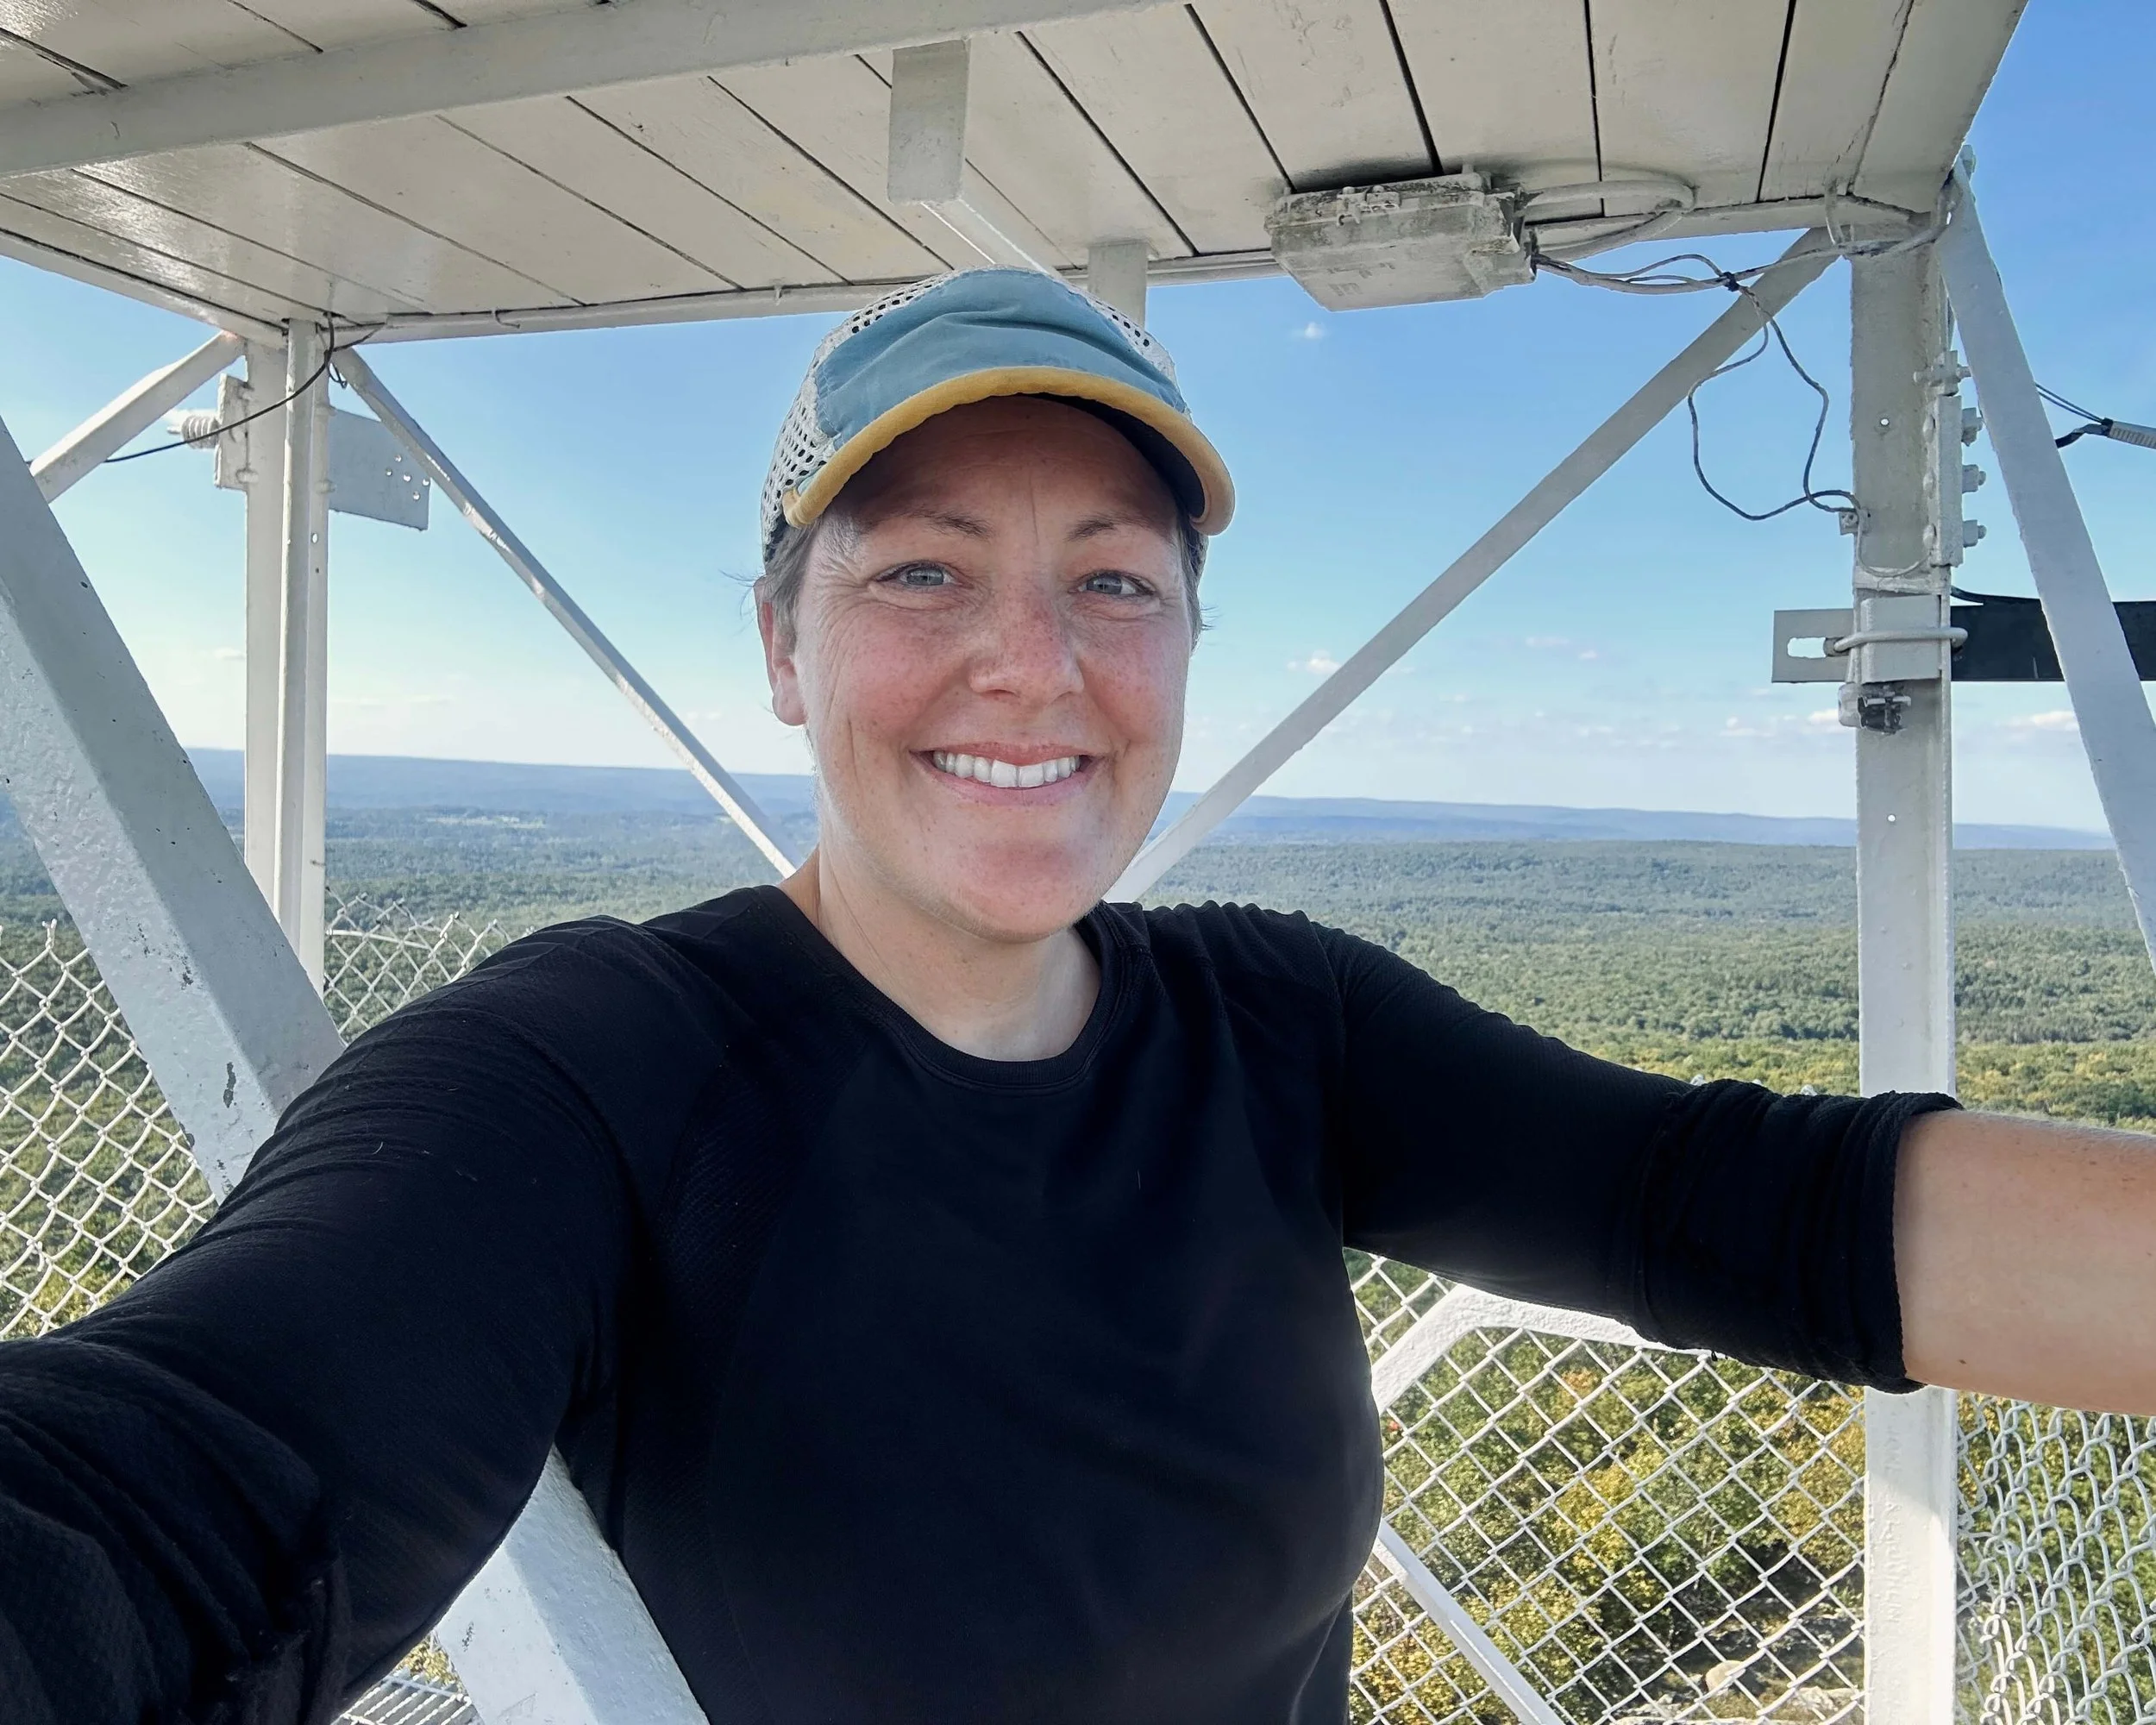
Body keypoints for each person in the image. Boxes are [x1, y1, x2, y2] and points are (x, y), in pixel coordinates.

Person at [3, 267, 2153, 1725]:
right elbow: (182, 1498)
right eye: (920, 567)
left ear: (1183, 644)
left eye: (1111, 578)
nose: (1029, 663)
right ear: (780, 648)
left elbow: (1738, 1204)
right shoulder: (584, 1076)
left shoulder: (1278, 1031)